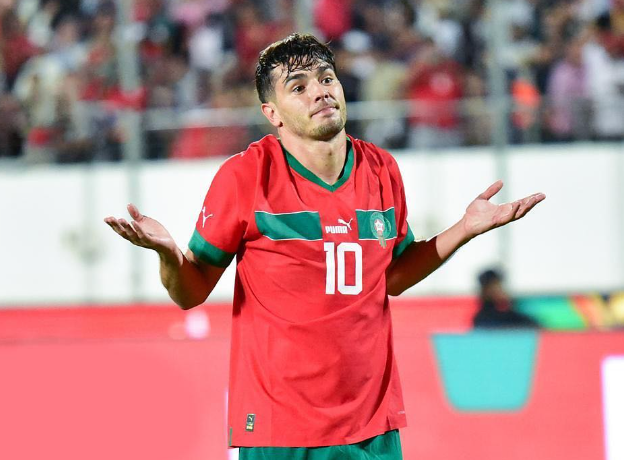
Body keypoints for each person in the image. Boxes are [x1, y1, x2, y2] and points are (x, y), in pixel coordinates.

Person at [104, 33, 545, 460]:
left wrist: (464, 229)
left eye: (326, 78)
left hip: (371, 427)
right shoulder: (245, 176)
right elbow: (191, 292)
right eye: (298, 87)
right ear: (272, 113)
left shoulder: (381, 169)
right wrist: (168, 254)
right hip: (279, 430)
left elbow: (394, 276)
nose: (320, 92)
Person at [472, 268, 539, 329]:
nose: (501, 290)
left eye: (500, 286)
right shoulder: (483, 318)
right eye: (495, 286)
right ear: (485, 291)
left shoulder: (514, 314)